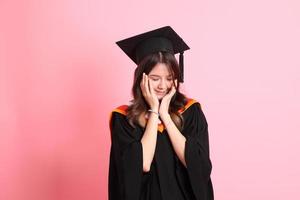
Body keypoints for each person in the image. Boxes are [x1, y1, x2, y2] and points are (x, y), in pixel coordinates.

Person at [108, 26, 214, 200]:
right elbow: (143, 164)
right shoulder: (123, 119)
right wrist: (154, 111)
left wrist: (166, 115)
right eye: (155, 78)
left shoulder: (191, 111)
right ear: (141, 79)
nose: (162, 86)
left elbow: (196, 163)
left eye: (169, 78)